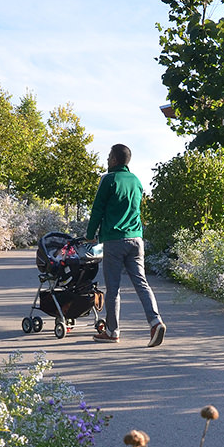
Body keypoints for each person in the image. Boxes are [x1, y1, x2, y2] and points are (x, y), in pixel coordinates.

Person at [85, 143, 165, 347]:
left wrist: (90, 234)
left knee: (113, 288)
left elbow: (98, 209)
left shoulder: (109, 179)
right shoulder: (136, 181)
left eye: (108, 156)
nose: (107, 159)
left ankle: (113, 331)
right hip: (136, 239)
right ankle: (155, 321)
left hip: (115, 239)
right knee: (141, 282)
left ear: (113, 159)